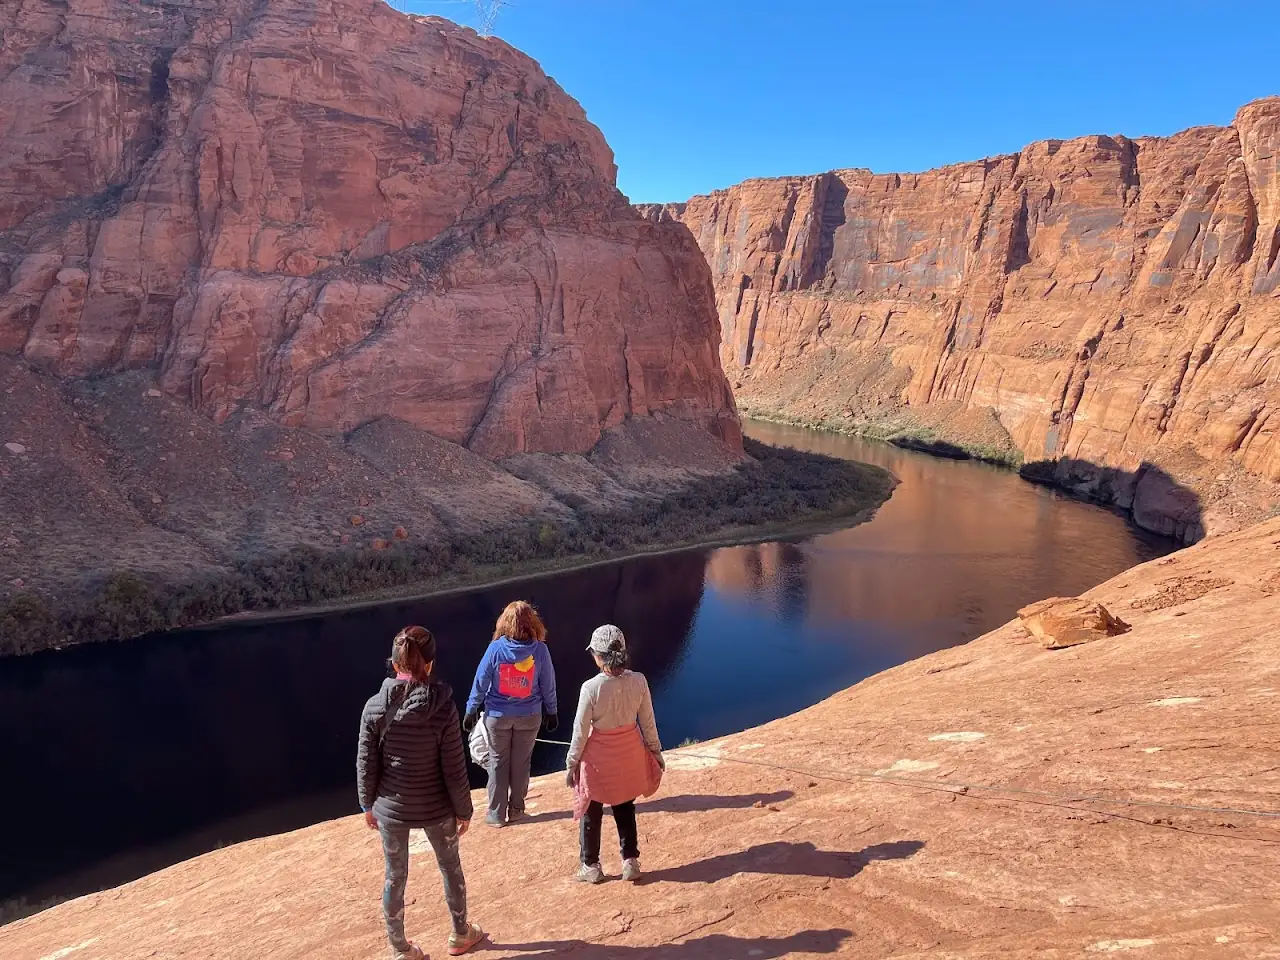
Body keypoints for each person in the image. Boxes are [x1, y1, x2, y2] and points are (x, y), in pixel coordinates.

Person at [357, 625, 486, 960]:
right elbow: (454, 769)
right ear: (429, 663)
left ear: (395, 663)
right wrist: (464, 810)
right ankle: (460, 935)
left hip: (391, 809)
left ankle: (400, 950)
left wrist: (367, 805)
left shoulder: (374, 707)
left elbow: (367, 762)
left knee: (394, 875)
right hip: (436, 808)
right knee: (450, 868)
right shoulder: (442, 707)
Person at [566, 624, 664, 884]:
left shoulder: (591, 688)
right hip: (629, 754)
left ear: (598, 656)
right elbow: (648, 722)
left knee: (591, 810)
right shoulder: (639, 681)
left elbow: (580, 730)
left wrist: (572, 762)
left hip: (598, 759)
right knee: (624, 806)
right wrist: (655, 751)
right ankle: (630, 861)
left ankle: (591, 866)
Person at [462, 600, 559, 827]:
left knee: (497, 762)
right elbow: (548, 684)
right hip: (530, 715)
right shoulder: (540, 650)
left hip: (498, 716)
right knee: (521, 763)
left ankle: (496, 814)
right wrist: (551, 710)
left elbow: (481, 680)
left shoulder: (496, 649)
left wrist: (471, 709)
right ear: (532, 622)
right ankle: (517, 810)